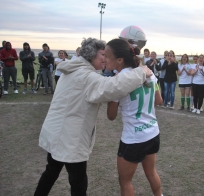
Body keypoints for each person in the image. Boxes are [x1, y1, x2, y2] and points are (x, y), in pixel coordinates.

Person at [34, 37, 153, 196]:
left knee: (51, 173)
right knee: (78, 182)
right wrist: (141, 71)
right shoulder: (86, 77)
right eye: (103, 55)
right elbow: (112, 87)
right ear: (91, 55)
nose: (105, 59)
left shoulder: (73, 69)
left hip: (57, 133)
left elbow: (104, 83)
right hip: (70, 138)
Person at [106, 38, 163, 196]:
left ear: (119, 59)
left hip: (134, 138)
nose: (104, 59)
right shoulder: (149, 74)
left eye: (107, 56)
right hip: (152, 132)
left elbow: (111, 116)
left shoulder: (117, 81)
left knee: (125, 181)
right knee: (151, 173)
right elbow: (159, 100)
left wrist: (111, 97)